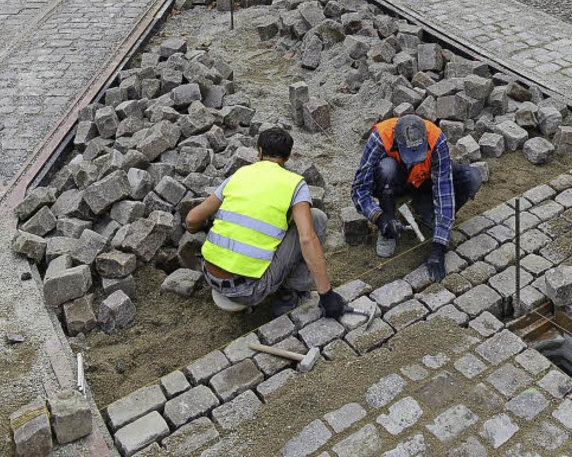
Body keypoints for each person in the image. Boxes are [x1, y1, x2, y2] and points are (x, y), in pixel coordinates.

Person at [185, 126, 346, 318]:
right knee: (316, 217)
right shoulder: (294, 183)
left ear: (259, 152)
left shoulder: (241, 174)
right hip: (247, 290)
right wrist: (327, 295)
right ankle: (289, 295)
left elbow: (192, 219)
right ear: (287, 158)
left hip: (209, 275)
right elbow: (306, 239)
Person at [351, 114, 482, 282]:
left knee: (471, 178)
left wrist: (439, 246)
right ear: (398, 144)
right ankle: (388, 227)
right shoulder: (380, 137)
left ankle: (426, 209)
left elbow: (444, 191)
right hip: (392, 183)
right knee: (387, 168)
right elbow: (359, 189)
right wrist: (379, 217)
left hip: (422, 181)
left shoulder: (436, 139)